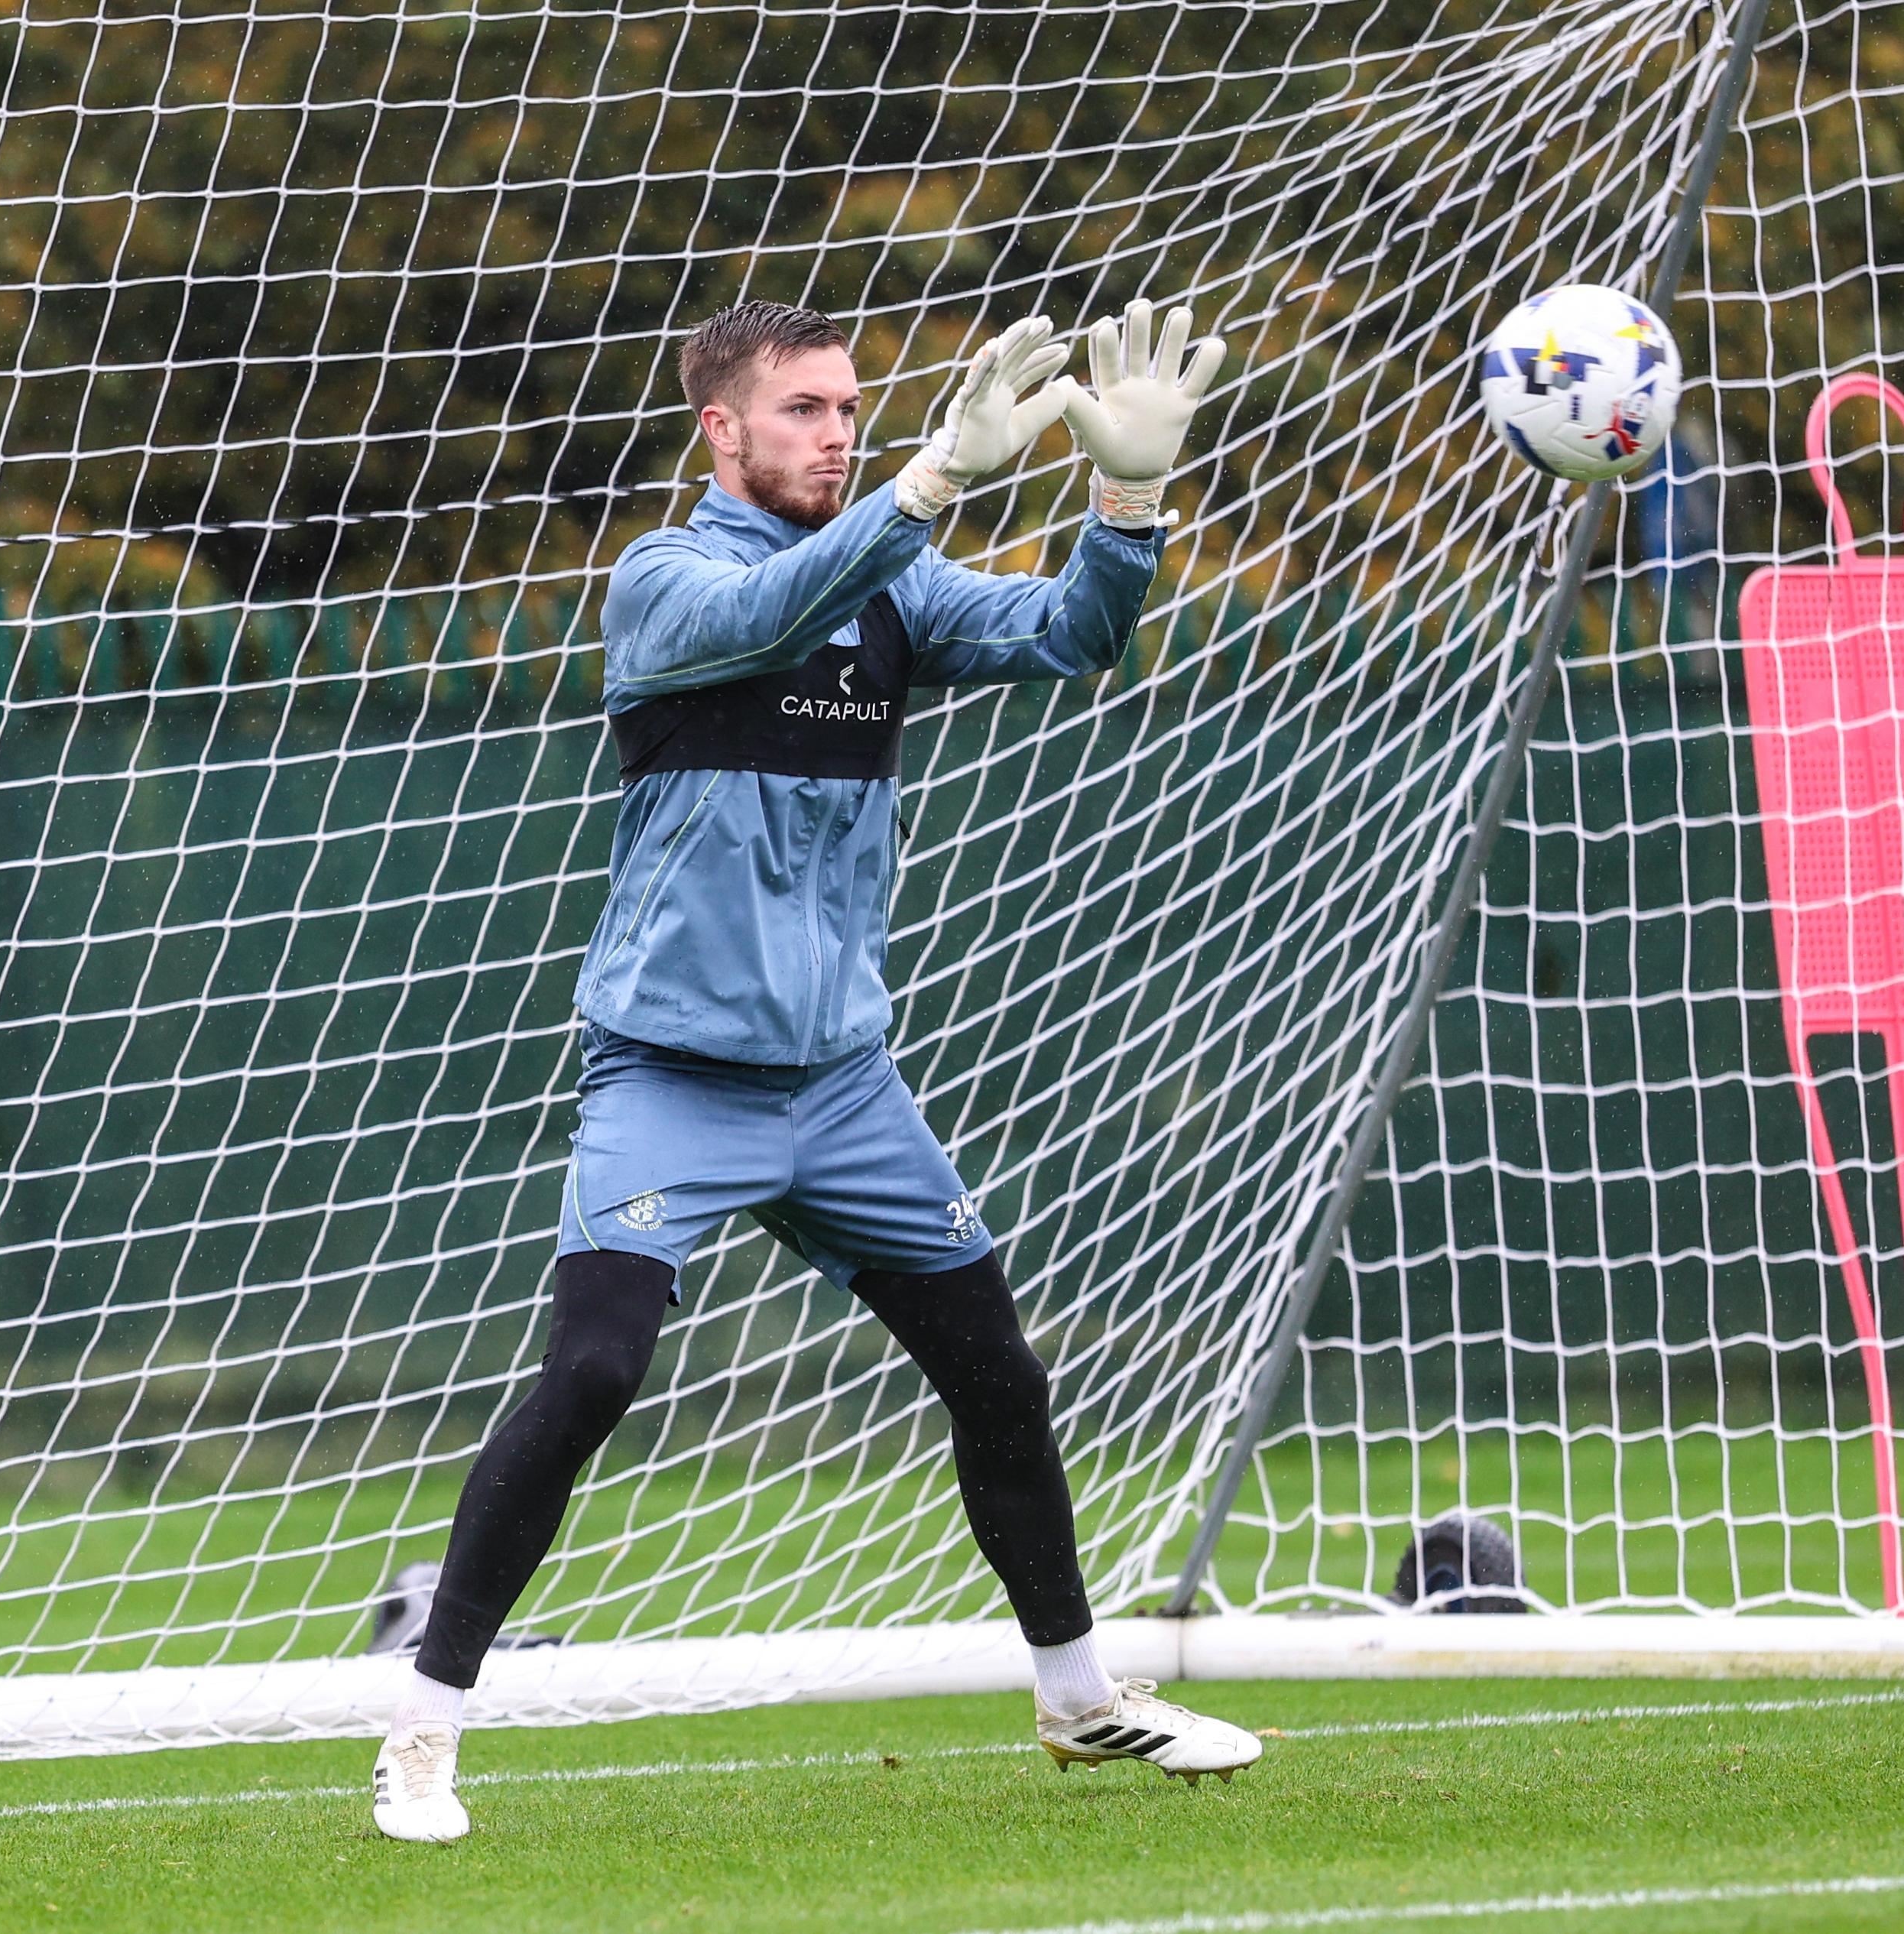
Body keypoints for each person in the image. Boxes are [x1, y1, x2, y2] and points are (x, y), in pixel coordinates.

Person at [373, 296, 1257, 1843]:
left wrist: (1125, 501)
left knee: (998, 1372)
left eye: (850, 408)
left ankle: (1076, 1694)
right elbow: (772, 617)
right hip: (672, 1079)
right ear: (719, 428)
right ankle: (423, 1727)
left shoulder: (891, 578)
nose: (838, 432)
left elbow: (1072, 635)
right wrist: (928, 483)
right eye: (803, 409)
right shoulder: (662, 582)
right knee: (592, 1371)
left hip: (844, 1088)